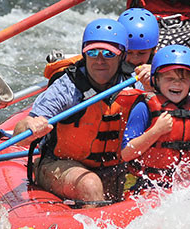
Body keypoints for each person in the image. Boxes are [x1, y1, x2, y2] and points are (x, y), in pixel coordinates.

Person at [14, 18, 141, 202]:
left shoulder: (135, 83)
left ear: (122, 56)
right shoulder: (67, 87)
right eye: (93, 52)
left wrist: (154, 79)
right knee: (90, 185)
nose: (99, 60)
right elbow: (20, 135)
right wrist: (30, 126)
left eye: (108, 54)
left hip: (115, 166)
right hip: (61, 165)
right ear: (84, 53)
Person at [120, 45, 190, 188]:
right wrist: (156, 131)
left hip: (185, 186)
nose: (176, 83)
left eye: (183, 79)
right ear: (156, 80)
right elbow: (126, 153)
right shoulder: (144, 107)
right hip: (146, 184)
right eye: (169, 78)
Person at [118, 7, 159, 88]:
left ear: (152, 50)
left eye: (142, 53)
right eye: (129, 52)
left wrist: (157, 75)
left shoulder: (160, 71)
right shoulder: (110, 66)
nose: (134, 59)